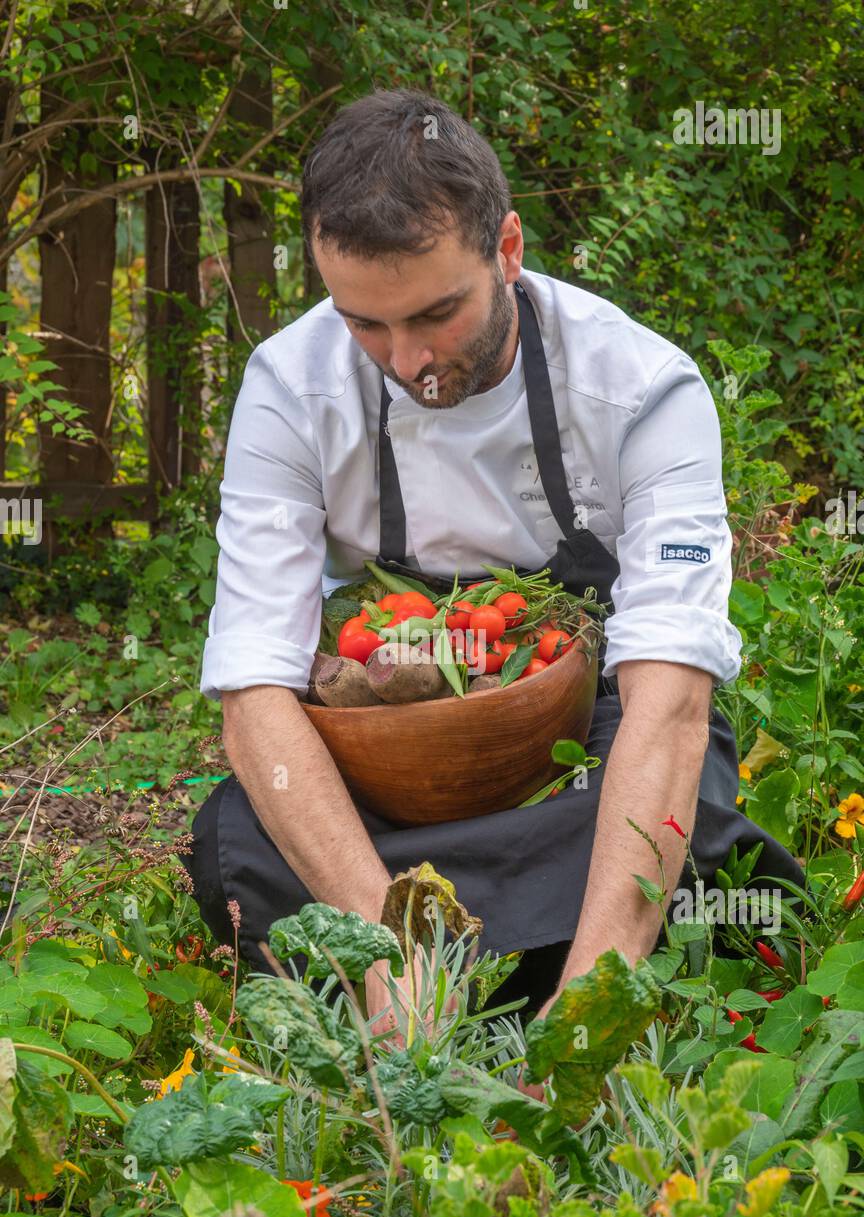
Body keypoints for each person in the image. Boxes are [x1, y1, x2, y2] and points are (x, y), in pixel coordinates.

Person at [183, 88, 804, 1030]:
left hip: (580, 726)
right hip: (392, 751)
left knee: (681, 817)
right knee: (237, 838)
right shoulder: (287, 387)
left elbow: (669, 703)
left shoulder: (642, 390)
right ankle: (435, 972)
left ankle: (566, 969)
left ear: (507, 250)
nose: (405, 360)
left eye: (434, 314)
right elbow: (256, 695)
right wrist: (382, 948)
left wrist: (596, 1005)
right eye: (364, 323)